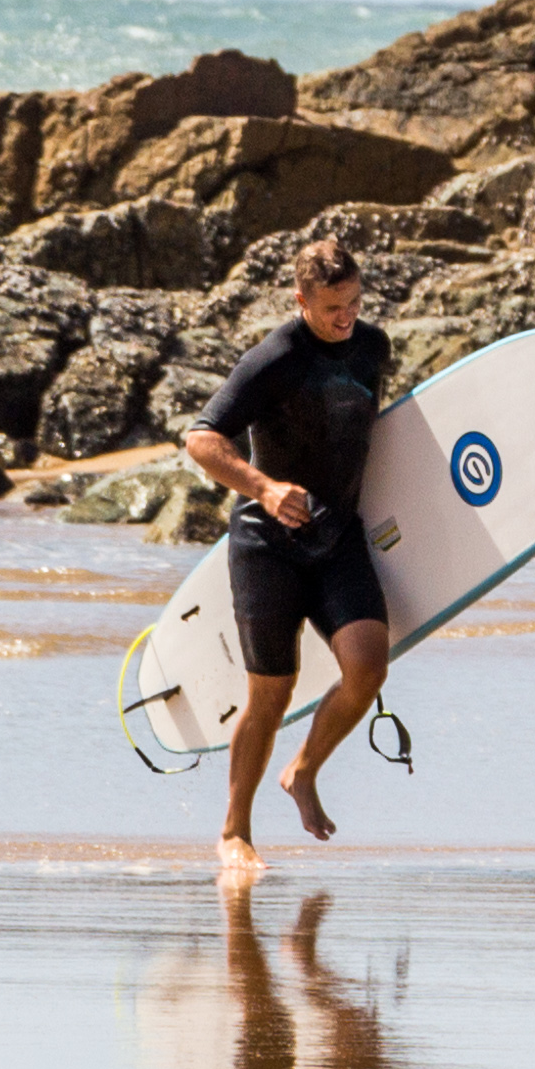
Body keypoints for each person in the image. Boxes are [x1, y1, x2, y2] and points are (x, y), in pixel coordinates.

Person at [181, 238, 391, 879]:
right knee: (270, 694)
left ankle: (301, 771)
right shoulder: (273, 358)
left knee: (368, 667)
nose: (345, 317)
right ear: (300, 300)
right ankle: (233, 831)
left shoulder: (373, 346)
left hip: (338, 536)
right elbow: (199, 438)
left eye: (354, 302)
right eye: (331, 308)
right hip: (268, 544)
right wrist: (265, 488)